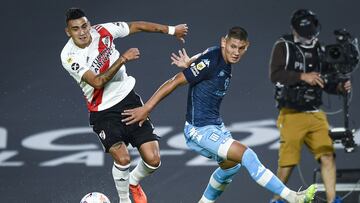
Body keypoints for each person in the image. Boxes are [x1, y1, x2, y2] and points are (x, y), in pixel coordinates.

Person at [121, 26, 317, 203]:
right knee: (247, 155)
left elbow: (205, 55)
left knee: (231, 167)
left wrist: (191, 62)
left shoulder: (217, 56)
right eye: (232, 46)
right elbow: (173, 81)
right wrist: (146, 108)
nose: (236, 52)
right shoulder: (211, 62)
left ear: (246, 47)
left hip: (215, 125)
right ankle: (292, 197)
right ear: (224, 42)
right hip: (199, 130)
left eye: (241, 48)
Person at [60, 8, 188, 203]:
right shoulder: (69, 56)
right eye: (75, 29)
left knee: (153, 160)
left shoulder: (103, 30)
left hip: (129, 100)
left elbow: (136, 26)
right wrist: (122, 59)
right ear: (68, 32)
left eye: (84, 26)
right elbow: (97, 82)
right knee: (123, 158)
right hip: (103, 111)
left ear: (89, 24)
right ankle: (124, 200)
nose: (82, 32)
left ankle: (133, 182)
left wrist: (171, 30)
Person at [269, 9, 351, 203]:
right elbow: (275, 75)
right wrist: (302, 76)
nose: (308, 37)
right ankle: (277, 199)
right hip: (291, 113)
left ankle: (332, 200)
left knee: (328, 155)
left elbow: (325, 82)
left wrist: (340, 86)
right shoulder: (284, 46)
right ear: (294, 30)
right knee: (287, 162)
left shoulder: (320, 50)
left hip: (315, 113)